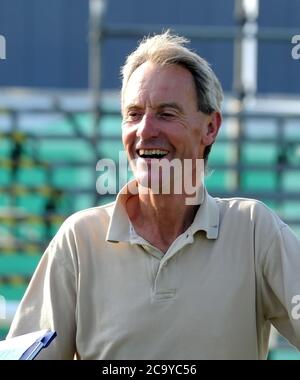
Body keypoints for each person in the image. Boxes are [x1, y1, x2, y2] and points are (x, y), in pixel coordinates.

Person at [7, 31, 300, 360]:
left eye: (166, 113)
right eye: (133, 114)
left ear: (210, 127)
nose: (145, 130)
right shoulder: (79, 241)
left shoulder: (254, 232)